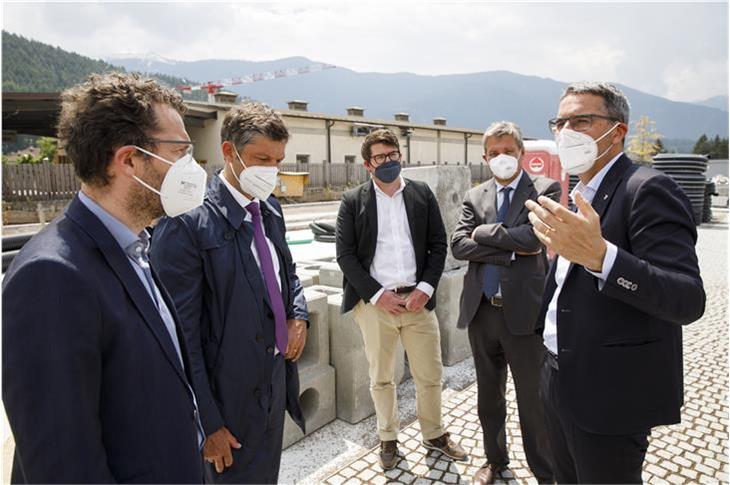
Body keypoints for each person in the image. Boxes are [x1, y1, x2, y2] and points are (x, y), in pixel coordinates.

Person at [2, 72, 207, 483]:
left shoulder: (135, 244)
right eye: (180, 152)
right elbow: (64, 466)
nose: (192, 167)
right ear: (129, 160)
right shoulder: (51, 277)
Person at [525, 82, 706, 484]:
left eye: (581, 121)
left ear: (617, 131)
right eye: (560, 122)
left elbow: (687, 298)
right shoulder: (581, 192)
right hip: (556, 376)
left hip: (608, 394)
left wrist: (601, 257)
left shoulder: (647, 189)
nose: (565, 132)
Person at [150, 101, 308, 484]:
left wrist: (298, 314)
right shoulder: (188, 223)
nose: (270, 171)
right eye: (261, 159)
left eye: (277, 161)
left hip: (273, 379)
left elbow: (287, 272)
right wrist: (206, 423)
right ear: (228, 151)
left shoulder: (269, 208)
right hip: (226, 401)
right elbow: (179, 338)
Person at [335, 128, 467, 470]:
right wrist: (377, 295)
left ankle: (434, 434)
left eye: (393, 155)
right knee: (382, 377)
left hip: (417, 302)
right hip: (376, 306)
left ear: (401, 155)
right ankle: (388, 439)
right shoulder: (353, 201)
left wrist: (426, 287)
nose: (388, 161)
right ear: (368, 164)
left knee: (430, 374)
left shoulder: (421, 193)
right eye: (380, 157)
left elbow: (438, 244)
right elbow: (346, 256)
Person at [451, 121, 559, 484]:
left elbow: (534, 239)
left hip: (525, 315)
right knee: (489, 396)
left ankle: (545, 472)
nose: (502, 158)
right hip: (482, 311)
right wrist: (509, 251)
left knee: (533, 400)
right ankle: (495, 460)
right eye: (494, 153)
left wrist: (484, 234)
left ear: (521, 153)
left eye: (508, 151)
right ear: (485, 157)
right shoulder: (475, 196)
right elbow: (459, 245)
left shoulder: (544, 189)